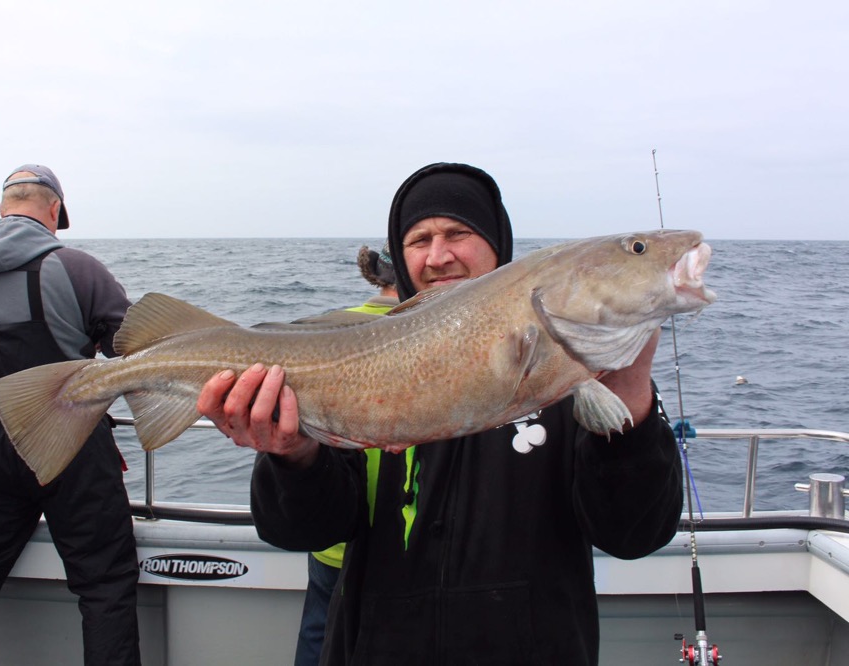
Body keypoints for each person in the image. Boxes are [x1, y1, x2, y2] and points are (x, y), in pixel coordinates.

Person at [197, 162, 683, 665]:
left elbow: (634, 535)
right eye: (418, 239)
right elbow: (304, 532)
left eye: (458, 233)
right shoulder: (353, 363)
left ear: (498, 245)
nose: (438, 255)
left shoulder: (575, 375)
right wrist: (293, 455)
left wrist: (630, 400)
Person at [0, 165, 141, 666]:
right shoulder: (77, 267)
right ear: (54, 210)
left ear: (3, 207)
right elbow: (133, 348)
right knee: (104, 584)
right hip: (72, 438)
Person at [294, 242, 398, 666]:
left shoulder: (332, 329)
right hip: (392, 547)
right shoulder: (432, 333)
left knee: (320, 641)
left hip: (330, 544)